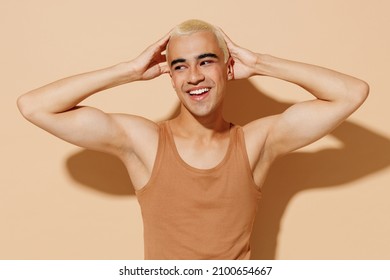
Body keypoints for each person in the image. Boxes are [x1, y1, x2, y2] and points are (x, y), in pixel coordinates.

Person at [17, 19, 369, 260]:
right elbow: (34, 106)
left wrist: (261, 63)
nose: (194, 76)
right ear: (170, 76)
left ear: (228, 68)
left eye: (206, 61)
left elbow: (351, 93)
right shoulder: (145, 141)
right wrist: (129, 70)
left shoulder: (256, 142)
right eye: (181, 65)